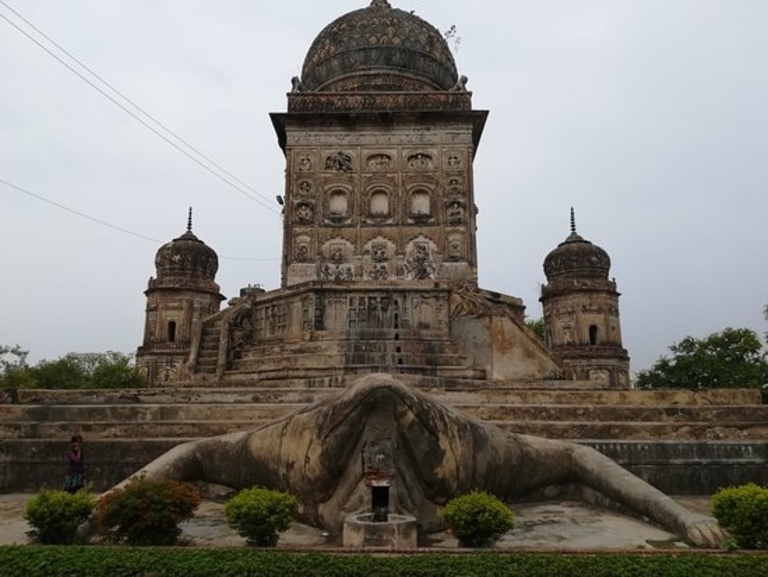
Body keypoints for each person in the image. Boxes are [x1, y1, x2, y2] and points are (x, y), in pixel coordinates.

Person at [113, 374, 725, 547]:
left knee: (379, 389)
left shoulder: (300, 461)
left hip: (403, 426)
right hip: (370, 423)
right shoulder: (296, 453)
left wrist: (679, 519)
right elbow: (578, 455)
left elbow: (578, 454)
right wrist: (677, 517)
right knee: (377, 389)